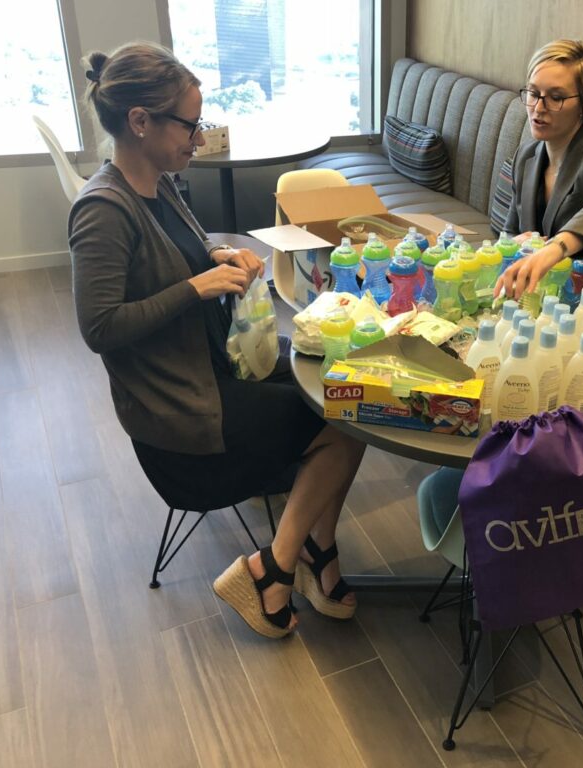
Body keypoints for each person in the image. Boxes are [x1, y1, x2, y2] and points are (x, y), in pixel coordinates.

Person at [69, 42, 365, 640]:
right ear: (140, 121)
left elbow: (181, 250)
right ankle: (276, 568)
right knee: (344, 419)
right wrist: (195, 288)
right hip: (181, 416)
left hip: (216, 369)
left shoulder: (160, 184)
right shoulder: (102, 210)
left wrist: (216, 255)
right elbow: (98, 328)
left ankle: (305, 554)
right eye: (190, 124)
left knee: (349, 387)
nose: (199, 138)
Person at [496, 39, 583, 300]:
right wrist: (509, 245)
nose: (538, 108)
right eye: (533, 93)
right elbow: (511, 233)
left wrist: (556, 248)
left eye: (556, 98)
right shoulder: (526, 157)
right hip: (538, 300)